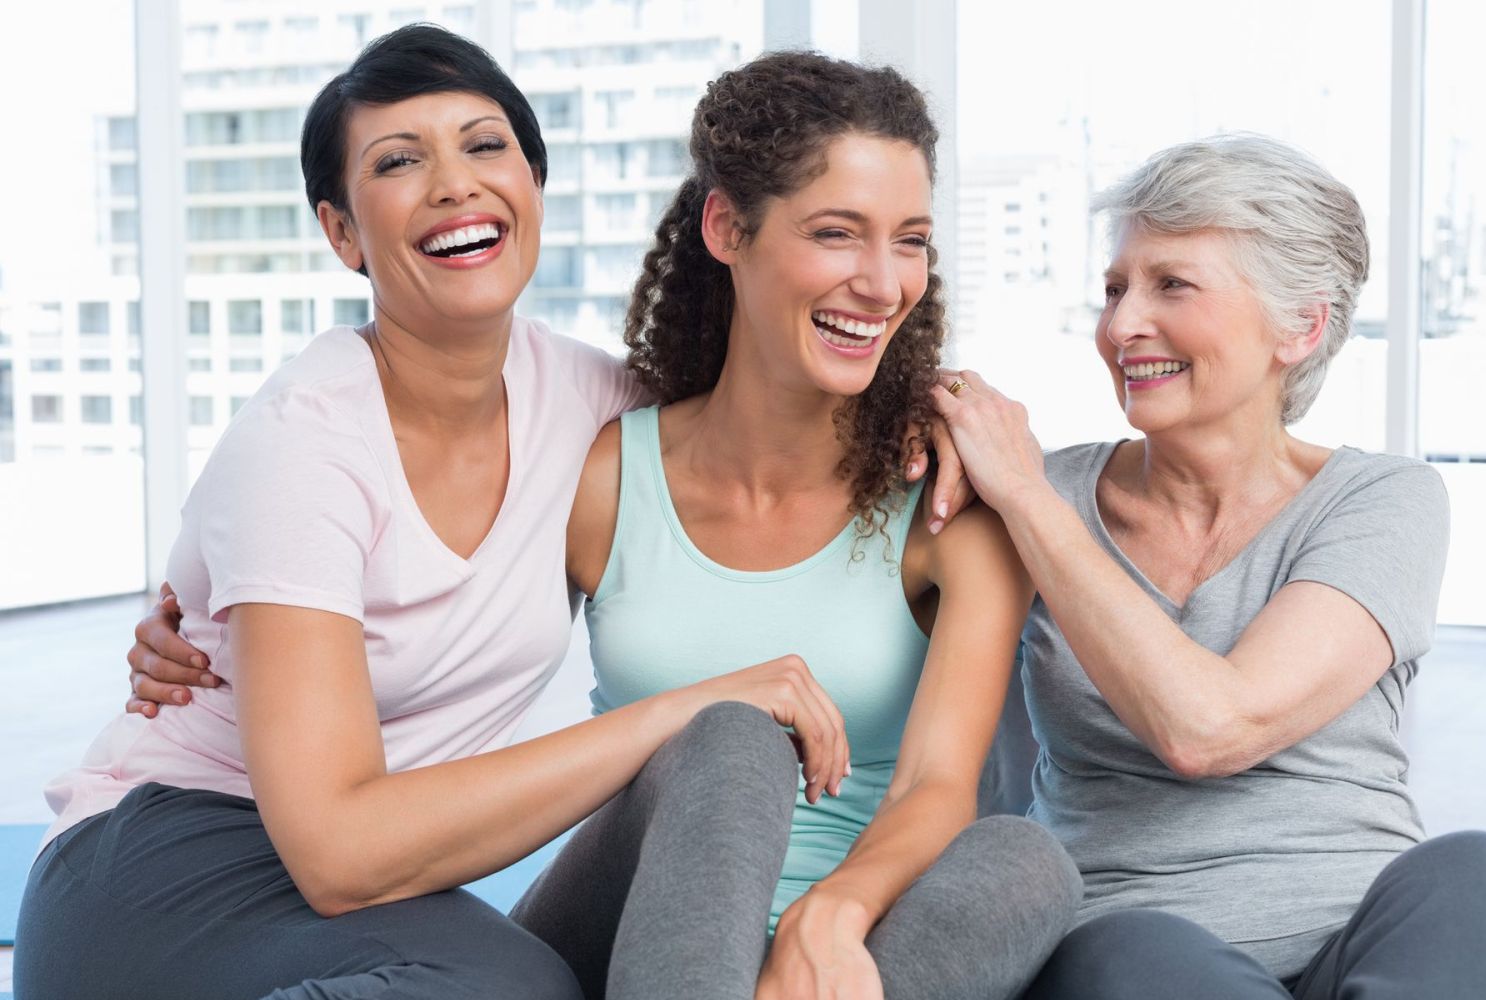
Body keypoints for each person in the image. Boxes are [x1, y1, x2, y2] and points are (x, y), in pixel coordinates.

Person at [57, 33, 1077, 1000]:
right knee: (719, 749)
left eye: (485, 146)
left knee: (1025, 862)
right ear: (340, 232)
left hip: (465, 903)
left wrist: (951, 420)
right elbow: (337, 841)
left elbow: (762, 411)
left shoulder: (597, 412)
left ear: (533, 188)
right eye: (402, 161)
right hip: (214, 861)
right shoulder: (365, 446)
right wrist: (186, 612)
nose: (455, 182)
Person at [926, 134, 1486, 999]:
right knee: (1135, 953)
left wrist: (1026, 496)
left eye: (1172, 285)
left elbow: (1211, 728)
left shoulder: (1382, 500)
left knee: (1480, 877)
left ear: (1301, 324)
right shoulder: (1030, 494)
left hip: (1361, 948)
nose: (1120, 326)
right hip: (1132, 958)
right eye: (1115, 288)